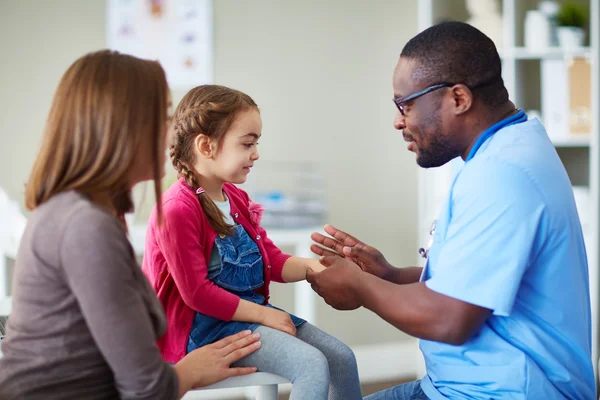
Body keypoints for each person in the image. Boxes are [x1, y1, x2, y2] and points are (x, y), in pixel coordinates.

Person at [307, 21, 596, 399]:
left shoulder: (501, 175)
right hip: (459, 385)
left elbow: (450, 318)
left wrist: (361, 286)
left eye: (405, 104)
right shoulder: (510, 146)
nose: (398, 121)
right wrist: (390, 276)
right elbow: (473, 284)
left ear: (458, 99)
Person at [0, 50, 262, 400]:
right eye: (165, 116)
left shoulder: (84, 214)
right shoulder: (85, 227)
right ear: (122, 125)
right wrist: (188, 371)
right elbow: (147, 389)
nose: (173, 132)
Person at [142, 84, 362, 400]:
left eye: (256, 143)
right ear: (206, 146)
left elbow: (270, 260)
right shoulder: (177, 209)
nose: (256, 154)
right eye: (247, 144)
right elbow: (197, 293)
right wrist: (264, 315)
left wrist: (319, 267)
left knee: (341, 358)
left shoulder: (235, 198)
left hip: (247, 316)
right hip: (204, 331)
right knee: (311, 364)